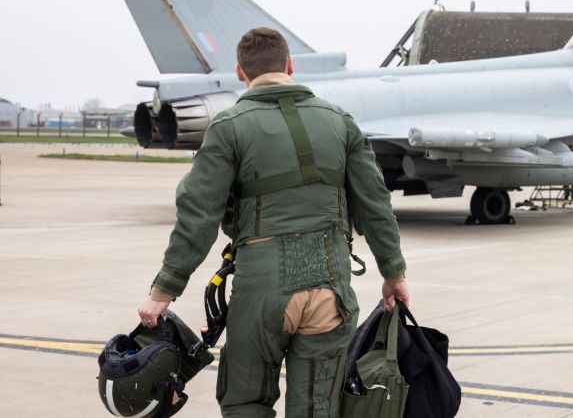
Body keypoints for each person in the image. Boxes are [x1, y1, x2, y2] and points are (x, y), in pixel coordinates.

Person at [137, 27, 409, 417]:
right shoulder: (341, 122)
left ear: (240, 73)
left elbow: (198, 215)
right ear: (290, 65)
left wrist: (163, 290)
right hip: (328, 289)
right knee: (316, 407)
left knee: (246, 401)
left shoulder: (229, 127)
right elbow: (376, 205)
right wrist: (394, 274)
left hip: (261, 291)